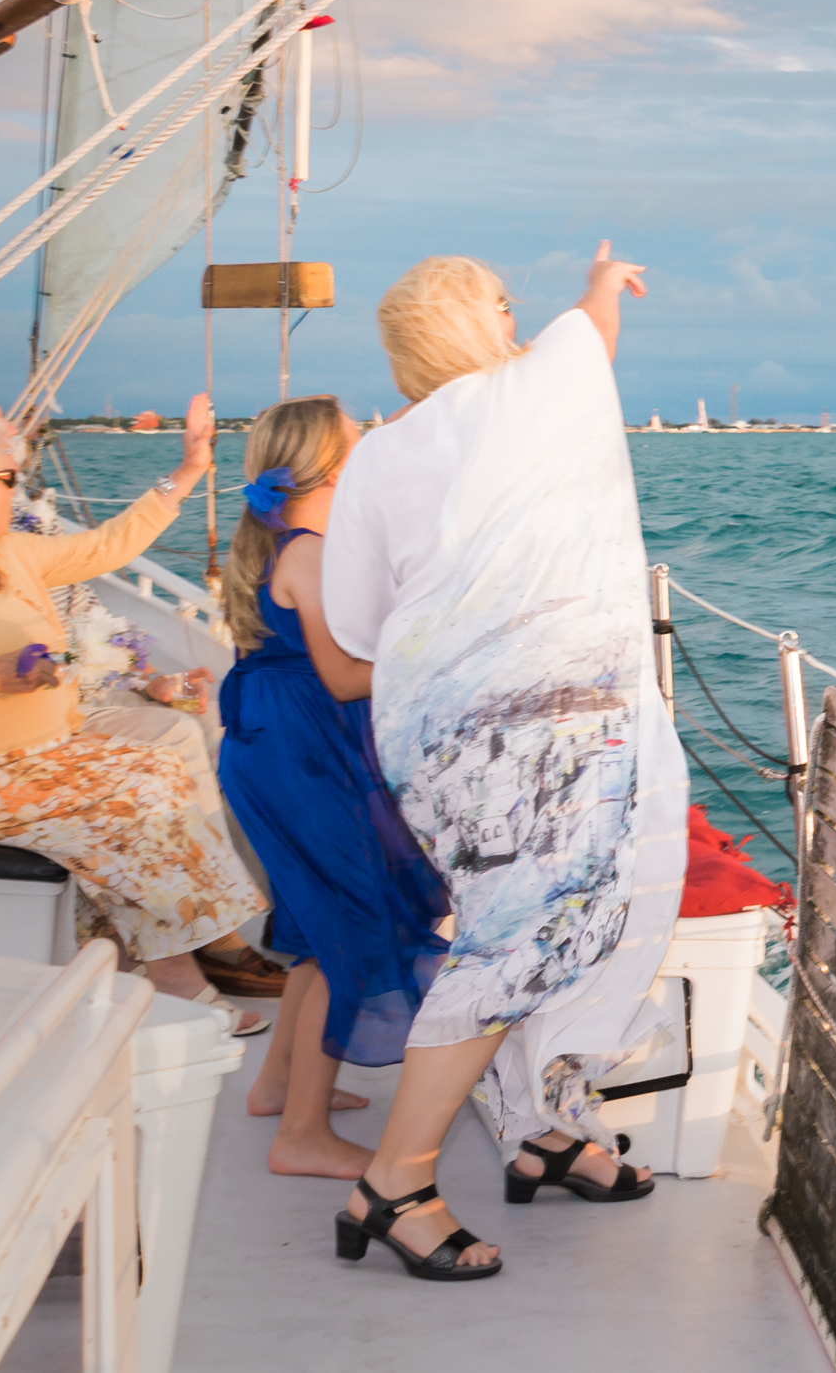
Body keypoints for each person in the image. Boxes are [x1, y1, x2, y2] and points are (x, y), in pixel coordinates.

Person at [318, 244, 686, 1281]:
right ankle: (397, 1179)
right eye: (499, 301)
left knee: (543, 925)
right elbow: (592, 333)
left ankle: (542, 1125)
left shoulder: (380, 454)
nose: (516, 316)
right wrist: (606, 282)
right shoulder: (538, 385)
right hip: (550, 725)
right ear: (468, 323)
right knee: (518, 939)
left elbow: (354, 628)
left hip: (434, 731)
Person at [0, 400, 273, 1032]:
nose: (17, 486)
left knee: (161, 772)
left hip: (38, 757)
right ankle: (181, 978)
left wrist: (189, 469)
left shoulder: (7, 554)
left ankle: (158, 975)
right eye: (6, 477)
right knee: (137, 795)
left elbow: (109, 544)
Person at [214, 397, 451, 1180]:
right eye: (359, 443)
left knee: (314, 922)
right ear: (332, 466)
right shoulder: (310, 553)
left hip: (281, 744)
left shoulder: (284, 543)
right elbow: (345, 677)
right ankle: (303, 1136)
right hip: (304, 752)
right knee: (344, 924)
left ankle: (279, 1087)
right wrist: (444, 664)